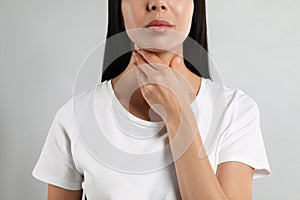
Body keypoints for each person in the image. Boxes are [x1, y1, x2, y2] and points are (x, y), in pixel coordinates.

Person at [32, 0, 271, 199]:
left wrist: (178, 114)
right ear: (119, 7)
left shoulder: (235, 111)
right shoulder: (74, 117)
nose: (157, 3)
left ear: (195, 6)